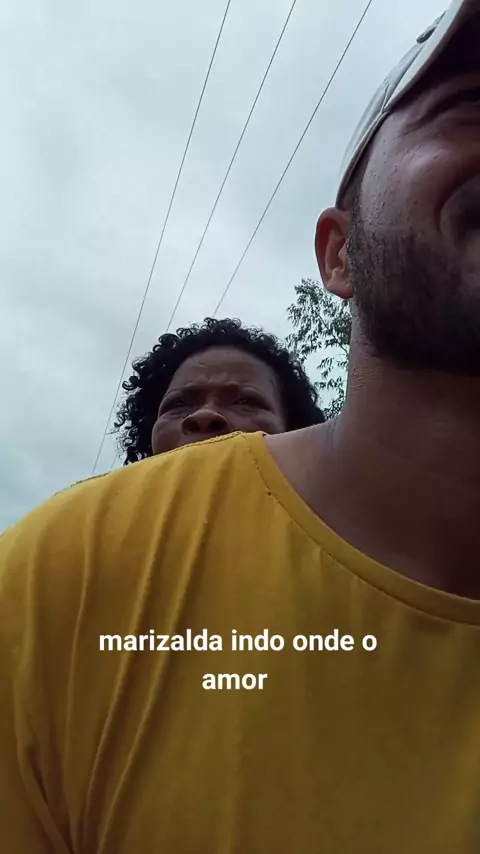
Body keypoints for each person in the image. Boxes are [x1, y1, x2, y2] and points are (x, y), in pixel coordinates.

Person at [1, 2, 479, 851]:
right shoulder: (68, 580)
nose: (210, 417)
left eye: (246, 405)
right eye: (470, 105)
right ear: (339, 254)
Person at [113, 316, 325, 463]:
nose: (204, 415)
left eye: (245, 402)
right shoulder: (101, 514)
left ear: (293, 430)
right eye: (178, 404)